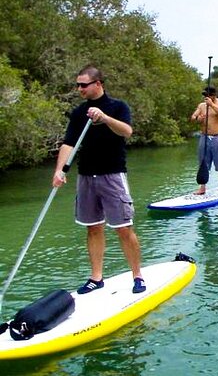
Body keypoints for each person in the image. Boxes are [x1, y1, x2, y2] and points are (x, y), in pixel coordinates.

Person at [52, 65, 145, 294]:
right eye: (78, 85)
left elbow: (127, 131)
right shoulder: (78, 113)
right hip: (86, 176)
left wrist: (104, 118)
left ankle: (138, 276)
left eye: (83, 85)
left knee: (124, 228)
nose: (79, 89)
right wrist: (59, 171)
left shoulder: (118, 107)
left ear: (98, 84)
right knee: (93, 228)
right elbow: (69, 143)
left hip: (112, 175)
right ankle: (96, 278)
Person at [191, 86, 218, 195]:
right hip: (204, 137)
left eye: (207, 95)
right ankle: (202, 188)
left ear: (214, 95)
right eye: (204, 96)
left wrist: (212, 105)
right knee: (203, 163)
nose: (205, 98)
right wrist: (198, 119)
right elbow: (193, 117)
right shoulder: (202, 106)